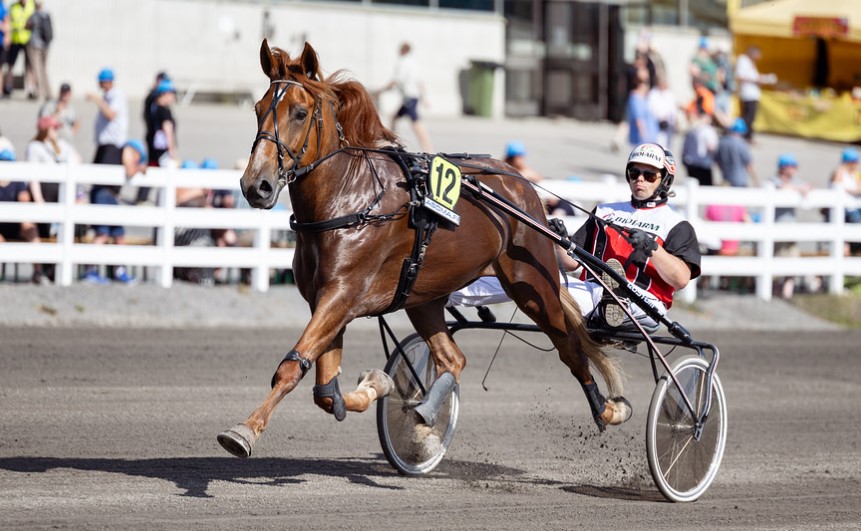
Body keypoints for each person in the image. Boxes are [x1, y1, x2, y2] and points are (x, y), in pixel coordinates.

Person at [452, 143, 701, 331]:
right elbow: (571, 264)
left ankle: (616, 301)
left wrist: (651, 248)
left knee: (549, 287)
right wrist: (559, 240)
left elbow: (680, 279)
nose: (640, 180)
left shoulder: (675, 224)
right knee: (524, 277)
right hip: (591, 290)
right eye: (635, 173)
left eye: (649, 175)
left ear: (665, 180)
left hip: (645, 302)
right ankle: (449, 293)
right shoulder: (606, 211)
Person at [25, 115, 80, 282]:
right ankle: (42, 270)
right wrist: (38, 199)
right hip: (45, 192)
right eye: (53, 127)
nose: (56, 130)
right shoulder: (35, 146)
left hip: (60, 194)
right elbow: (33, 175)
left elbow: (77, 159)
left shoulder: (61, 145)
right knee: (44, 231)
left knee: (60, 231)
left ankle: (54, 270)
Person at [0, 149, 47, 284]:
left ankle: (38, 272)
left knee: (30, 228)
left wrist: (24, 198)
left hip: (15, 224)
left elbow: (24, 198)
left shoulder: (17, 181)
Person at [376, 42, 432, 152]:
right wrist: (424, 98)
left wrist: (382, 90)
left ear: (402, 50)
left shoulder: (402, 63)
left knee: (416, 123)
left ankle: (428, 149)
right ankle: (391, 143)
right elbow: (420, 82)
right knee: (394, 118)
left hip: (409, 98)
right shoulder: (414, 63)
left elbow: (396, 80)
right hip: (413, 97)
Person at [770, 153, 810, 299]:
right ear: (783, 168)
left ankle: (788, 293)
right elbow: (781, 187)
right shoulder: (773, 181)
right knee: (775, 259)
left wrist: (801, 188)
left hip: (792, 228)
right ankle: (773, 292)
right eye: (792, 166)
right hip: (776, 228)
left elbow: (807, 186)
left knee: (792, 259)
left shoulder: (796, 181)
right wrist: (798, 189)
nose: (795, 169)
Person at [86, 67, 129, 165]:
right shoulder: (107, 96)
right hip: (104, 143)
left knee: (105, 172)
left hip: (113, 143)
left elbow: (110, 115)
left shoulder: (117, 95)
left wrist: (98, 100)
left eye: (101, 81)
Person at [735, 46, 776, 142]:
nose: (759, 57)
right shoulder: (743, 60)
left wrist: (762, 78)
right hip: (747, 94)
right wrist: (757, 79)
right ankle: (745, 136)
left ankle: (747, 136)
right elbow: (740, 76)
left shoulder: (749, 62)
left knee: (751, 117)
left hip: (752, 94)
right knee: (748, 117)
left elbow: (751, 76)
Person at [714, 118, 759, 188]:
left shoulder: (722, 142)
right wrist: (756, 180)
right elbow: (749, 164)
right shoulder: (742, 144)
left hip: (726, 180)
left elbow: (717, 161)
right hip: (740, 181)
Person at [3, 0, 34, 99]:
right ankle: (8, 87)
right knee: (11, 64)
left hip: (27, 40)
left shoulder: (31, 5)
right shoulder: (13, 7)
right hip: (15, 40)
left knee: (29, 66)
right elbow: (8, 22)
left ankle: (31, 89)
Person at [681, 112, 718, 187]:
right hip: (703, 165)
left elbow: (685, 147)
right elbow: (711, 147)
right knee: (705, 189)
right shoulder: (708, 130)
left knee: (693, 187)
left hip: (691, 164)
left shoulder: (692, 129)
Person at [24, 0, 49, 100]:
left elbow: (26, 26)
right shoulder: (46, 15)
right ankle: (47, 92)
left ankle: (40, 91)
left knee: (35, 68)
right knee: (43, 68)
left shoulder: (34, 15)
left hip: (34, 45)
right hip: (44, 46)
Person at [830, 147, 861, 224]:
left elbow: (859, 186)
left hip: (855, 206)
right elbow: (837, 188)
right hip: (845, 207)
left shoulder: (856, 173)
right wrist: (854, 191)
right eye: (854, 162)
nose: (856, 164)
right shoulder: (839, 171)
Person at [626, 76, 658, 147]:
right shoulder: (636, 98)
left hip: (650, 134)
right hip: (643, 136)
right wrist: (643, 133)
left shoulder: (644, 98)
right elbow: (638, 118)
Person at [647, 76, 677, 151]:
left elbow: (672, 108)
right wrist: (659, 117)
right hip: (656, 122)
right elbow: (651, 108)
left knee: (667, 144)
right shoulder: (653, 93)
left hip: (668, 121)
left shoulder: (669, 94)